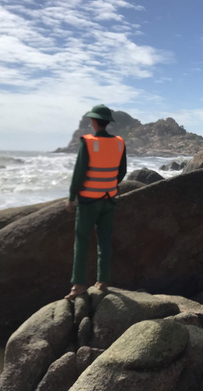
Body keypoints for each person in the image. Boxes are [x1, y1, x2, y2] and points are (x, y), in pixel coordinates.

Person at [64, 104, 127, 299]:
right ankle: (102, 281)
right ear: (108, 122)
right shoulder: (119, 143)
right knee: (105, 240)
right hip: (109, 199)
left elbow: (79, 172)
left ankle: (78, 285)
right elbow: (122, 171)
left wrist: (71, 196)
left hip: (88, 201)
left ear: (93, 122)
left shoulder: (88, 142)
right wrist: (109, 185)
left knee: (82, 240)